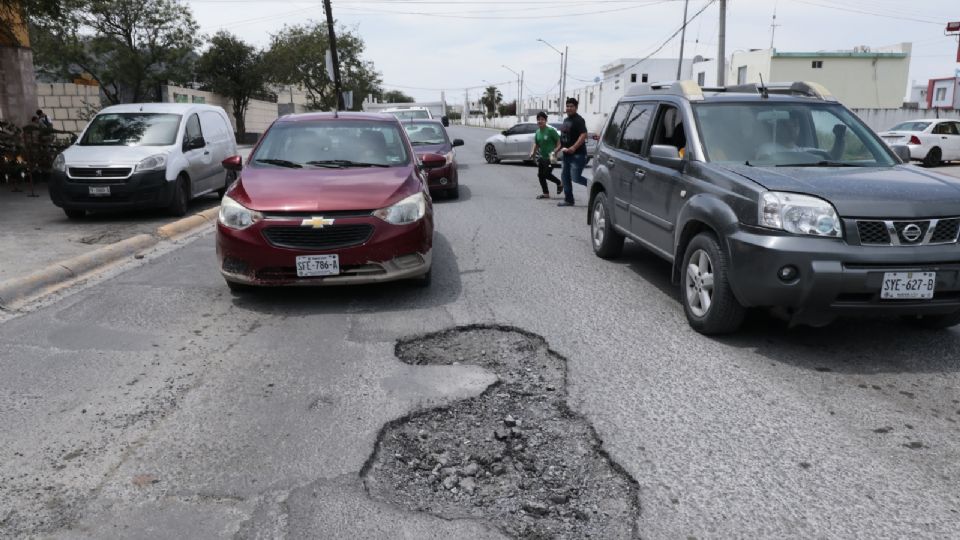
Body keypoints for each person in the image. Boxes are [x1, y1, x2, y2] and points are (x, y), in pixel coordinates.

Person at [555, 97, 588, 207]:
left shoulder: (579, 120)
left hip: (577, 155)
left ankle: (595, 187)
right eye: (567, 106)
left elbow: (583, 135)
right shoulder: (566, 120)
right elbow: (563, 138)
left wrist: (573, 148)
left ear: (576, 108)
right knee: (565, 177)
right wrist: (556, 149)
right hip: (566, 155)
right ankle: (569, 200)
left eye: (571, 106)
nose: (569, 108)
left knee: (576, 177)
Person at [528, 111, 562, 199]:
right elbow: (536, 144)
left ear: (546, 120)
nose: (540, 121)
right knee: (540, 175)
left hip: (552, 156)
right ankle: (546, 193)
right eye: (538, 119)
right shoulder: (538, 132)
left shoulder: (550, 130)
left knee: (546, 174)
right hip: (543, 157)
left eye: (542, 119)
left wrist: (556, 150)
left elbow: (559, 142)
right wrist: (533, 153)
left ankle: (559, 183)